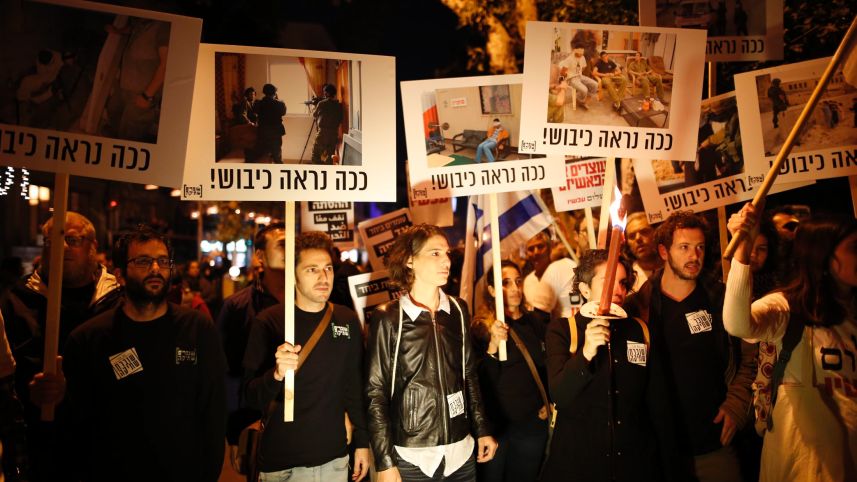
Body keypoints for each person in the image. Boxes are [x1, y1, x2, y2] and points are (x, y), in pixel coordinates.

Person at [63, 224, 227, 481]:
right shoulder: (88, 339)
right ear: (120, 275)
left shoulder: (198, 329)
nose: (155, 269)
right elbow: (77, 426)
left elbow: (213, 411)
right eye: (143, 261)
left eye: (163, 261)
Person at [724, 204, 857, 481]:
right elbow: (738, 324)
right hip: (804, 467)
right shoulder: (787, 308)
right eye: (854, 248)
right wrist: (742, 253)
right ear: (824, 256)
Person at [624, 211, 756, 482]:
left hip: (715, 443)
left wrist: (737, 403)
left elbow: (751, 356)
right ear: (664, 251)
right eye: (684, 247)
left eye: (700, 247)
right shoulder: (639, 307)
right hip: (663, 449)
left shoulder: (720, 297)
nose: (694, 256)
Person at [366, 224, 496, 481]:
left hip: (461, 452)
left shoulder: (458, 310)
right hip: (412, 457)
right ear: (410, 260)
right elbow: (375, 392)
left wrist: (482, 429)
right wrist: (384, 461)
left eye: (447, 253)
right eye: (435, 253)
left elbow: (469, 375)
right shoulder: (389, 317)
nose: (446, 261)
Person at [0, 212, 122, 482]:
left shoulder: (118, 304)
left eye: (73, 239)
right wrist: (29, 392)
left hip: (103, 451)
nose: (62, 246)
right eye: (52, 240)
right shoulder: (16, 303)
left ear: (93, 247)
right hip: (38, 450)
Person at [243, 231, 370, 481]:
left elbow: (354, 387)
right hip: (281, 465)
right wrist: (276, 374)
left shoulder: (346, 319)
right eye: (312, 270)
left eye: (328, 269)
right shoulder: (269, 322)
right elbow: (250, 396)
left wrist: (362, 442)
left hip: (333, 459)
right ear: (293, 275)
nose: (324, 277)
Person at [543, 250, 664, 481]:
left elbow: (656, 400)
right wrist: (586, 352)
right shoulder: (563, 330)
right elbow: (559, 394)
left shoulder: (639, 330)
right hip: (580, 464)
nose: (618, 290)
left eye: (622, 283)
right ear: (585, 289)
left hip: (632, 463)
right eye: (608, 282)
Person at [471, 261, 549, 482]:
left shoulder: (535, 322)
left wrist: (549, 399)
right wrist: (493, 346)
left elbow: (547, 364)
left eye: (518, 281)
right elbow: (479, 380)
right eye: (506, 283)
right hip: (497, 427)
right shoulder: (481, 327)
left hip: (532, 424)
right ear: (492, 290)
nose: (515, 288)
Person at [217, 223, 285, 454]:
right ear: (260, 256)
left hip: (304, 419)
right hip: (256, 421)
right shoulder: (237, 307)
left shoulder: (311, 301)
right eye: (282, 245)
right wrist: (235, 431)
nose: (291, 251)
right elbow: (228, 372)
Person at [104, 18, 170, 142]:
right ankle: (114, 139)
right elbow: (132, 29)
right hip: (124, 86)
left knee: (130, 133)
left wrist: (147, 96)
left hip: (142, 92)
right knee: (113, 113)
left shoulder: (164, 25)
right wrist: (118, 31)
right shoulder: (142, 22)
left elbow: (166, 64)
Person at [522, 231, 576, 319]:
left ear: (549, 248)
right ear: (526, 254)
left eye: (540, 247)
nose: (536, 252)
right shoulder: (528, 280)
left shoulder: (565, 267)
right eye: (531, 249)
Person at [623, 212, 662, 292]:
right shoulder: (627, 279)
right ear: (627, 243)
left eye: (644, 232)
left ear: (656, 233)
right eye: (632, 236)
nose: (638, 238)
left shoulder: (676, 267)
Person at [252, 83, 286, 163]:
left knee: (263, 154)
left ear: (264, 92)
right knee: (277, 156)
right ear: (274, 93)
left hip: (263, 132)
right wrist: (277, 99)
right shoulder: (280, 104)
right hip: (276, 133)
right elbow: (283, 112)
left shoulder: (258, 103)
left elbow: (254, 111)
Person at [311, 83, 344, 165]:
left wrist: (315, 106)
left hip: (323, 133)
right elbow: (340, 119)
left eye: (324, 92)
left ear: (327, 93)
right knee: (330, 155)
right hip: (333, 133)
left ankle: (317, 168)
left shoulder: (322, 103)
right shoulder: (339, 105)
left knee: (316, 154)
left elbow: (314, 115)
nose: (324, 93)